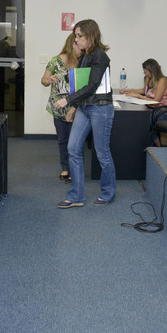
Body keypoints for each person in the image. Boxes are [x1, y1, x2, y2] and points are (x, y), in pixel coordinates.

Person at [53, 19, 114, 208]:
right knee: (73, 149)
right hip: (85, 108)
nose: (76, 39)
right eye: (75, 36)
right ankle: (76, 196)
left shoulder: (100, 56)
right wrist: (75, 107)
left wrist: (68, 101)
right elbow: (82, 85)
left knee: (102, 153)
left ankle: (108, 192)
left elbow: (93, 85)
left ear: (91, 35)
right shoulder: (85, 56)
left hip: (100, 109)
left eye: (80, 36)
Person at [41, 32, 81, 182]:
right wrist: (49, 80)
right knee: (62, 139)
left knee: (75, 141)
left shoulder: (83, 61)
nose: (80, 48)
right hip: (58, 108)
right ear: (71, 44)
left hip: (76, 107)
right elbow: (43, 80)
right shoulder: (55, 61)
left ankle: (74, 170)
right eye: (77, 44)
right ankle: (65, 168)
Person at [120, 58, 167, 146]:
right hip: (151, 109)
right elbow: (144, 90)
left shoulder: (162, 81)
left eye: (146, 72)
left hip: (161, 111)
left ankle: (154, 146)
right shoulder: (149, 79)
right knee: (138, 118)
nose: (144, 73)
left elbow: (156, 101)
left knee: (142, 120)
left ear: (152, 71)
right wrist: (127, 91)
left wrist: (139, 96)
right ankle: (154, 146)